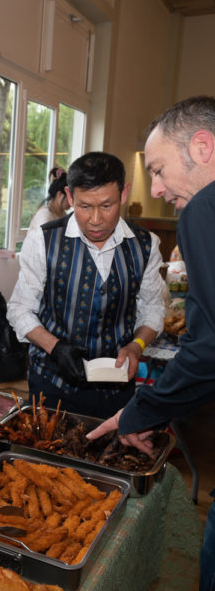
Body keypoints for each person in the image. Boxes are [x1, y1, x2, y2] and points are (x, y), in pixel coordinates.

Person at [85, 96, 215, 591]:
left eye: (158, 170)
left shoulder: (204, 209)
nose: (156, 188)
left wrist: (141, 411)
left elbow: (207, 349)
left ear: (202, 147)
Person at [7, 151, 165, 418]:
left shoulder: (146, 245)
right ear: (69, 197)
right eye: (84, 206)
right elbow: (19, 309)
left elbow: (153, 309)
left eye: (106, 205)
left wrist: (137, 345)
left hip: (117, 388)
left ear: (124, 194)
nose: (95, 219)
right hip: (53, 385)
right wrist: (55, 347)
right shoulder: (43, 240)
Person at [27, 166, 70, 230]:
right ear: (59, 194)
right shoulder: (45, 215)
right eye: (70, 197)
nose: (72, 202)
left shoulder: (62, 213)